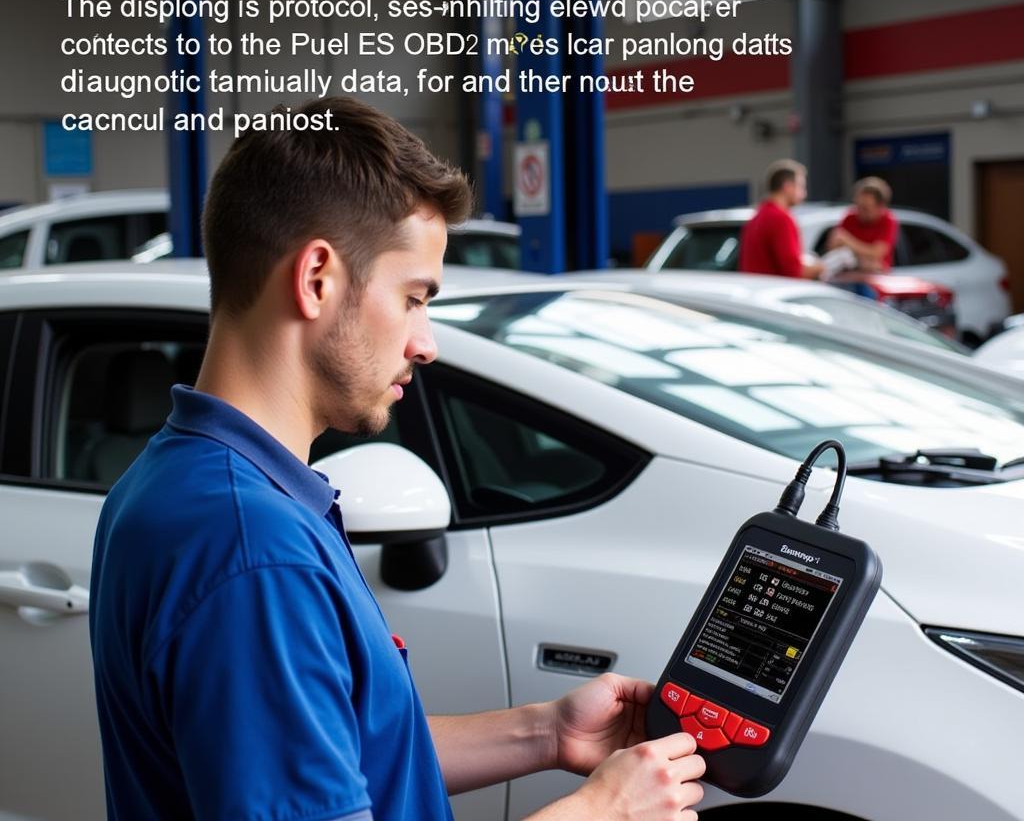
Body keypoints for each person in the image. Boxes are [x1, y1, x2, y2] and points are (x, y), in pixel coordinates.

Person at [89, 96, 705, 821]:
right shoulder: (253, 552)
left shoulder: (181, 482)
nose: (426, 341)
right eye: (414, 297)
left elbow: (336, 755)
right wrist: (602, 813)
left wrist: (545, 732)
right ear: (317, 278)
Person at [738, 158, 822, 279]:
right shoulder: (781, 219)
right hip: (775, 294)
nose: (804, 194)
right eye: (801, 187)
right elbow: (794, 272)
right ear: (787, 186)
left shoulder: (758, 216)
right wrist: (820, 267)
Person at [826, 176, 898, 272]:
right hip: (848, 276)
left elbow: (877, 252)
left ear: (880, 207)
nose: (860, 212)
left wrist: (847, 242)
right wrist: (863, 257)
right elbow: (833, 245)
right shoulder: (850, 217)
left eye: (866, 208)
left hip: (876, 278)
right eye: (858, 206)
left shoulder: (888, 220)